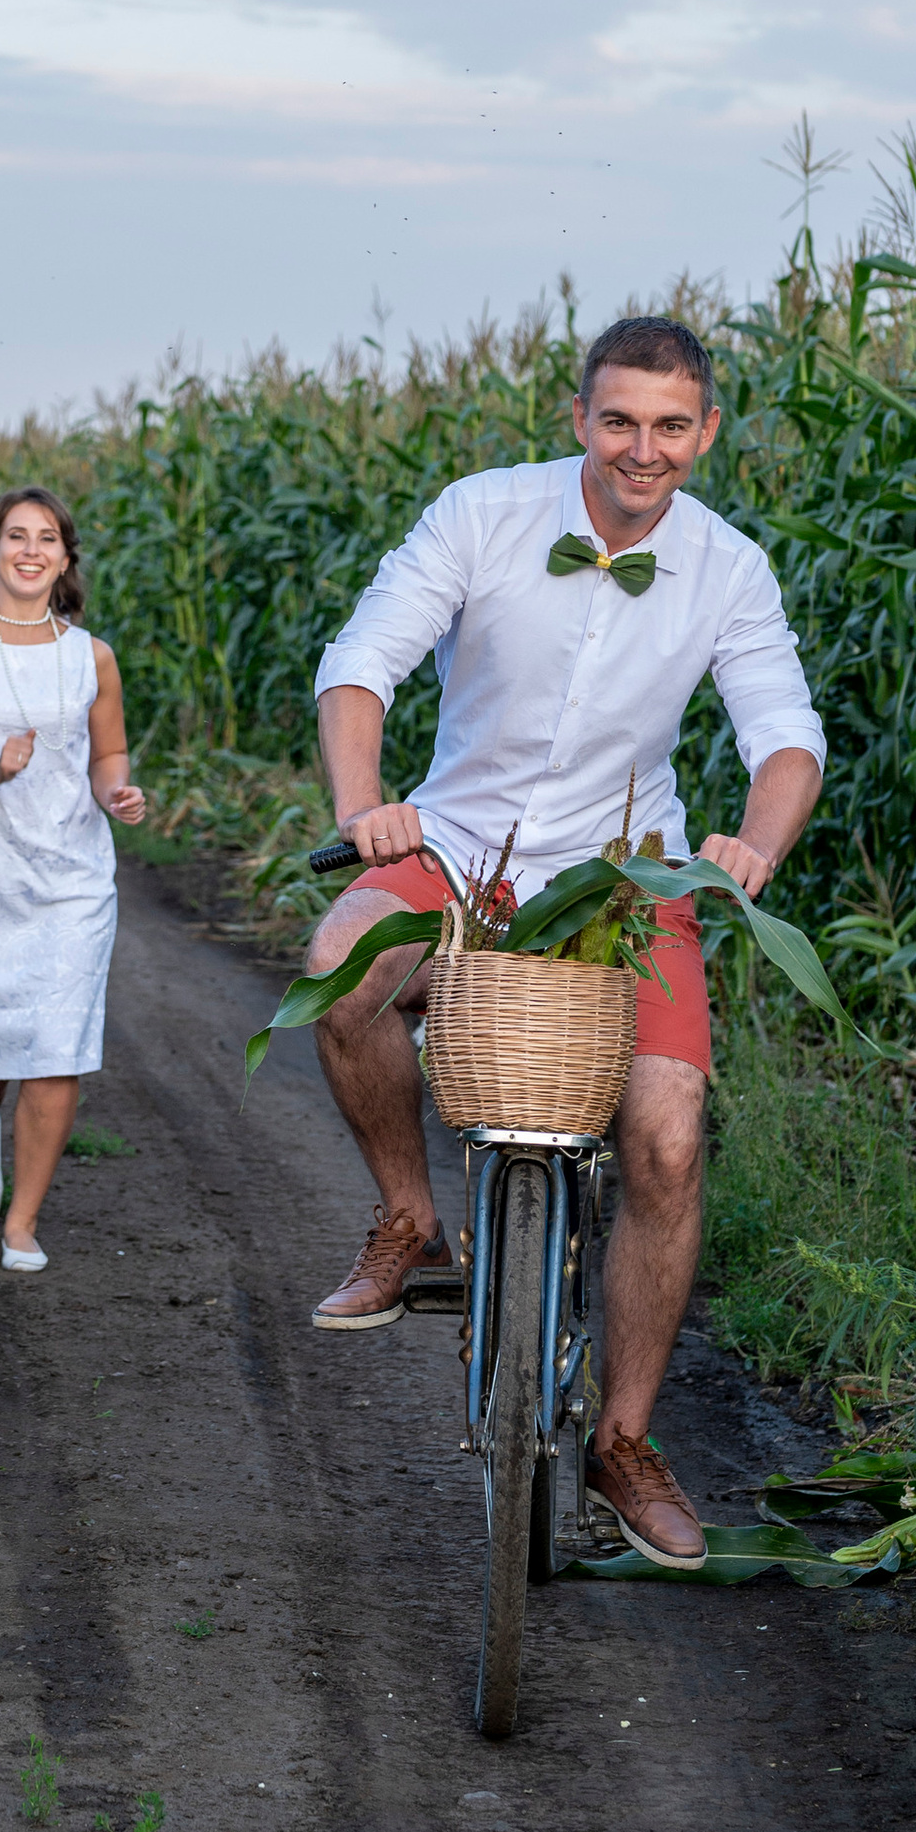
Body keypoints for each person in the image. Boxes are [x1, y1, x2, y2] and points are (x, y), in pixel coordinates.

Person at [299, 314, 824, 1566]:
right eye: (619, 420)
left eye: (671, 425)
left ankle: (625, 1440)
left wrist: (755, 843)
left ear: (706, 431)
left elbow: (785, 734)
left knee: (665, 1132)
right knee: (338, 969)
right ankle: (411, 1215)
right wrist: (362, 806)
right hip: (463, 843)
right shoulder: (481, 513)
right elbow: (362, 661)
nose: (643, 449)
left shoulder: (729, 569)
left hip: (628, 876)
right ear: (576, 418)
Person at [0, 486, 147, 1272]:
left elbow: (106, 753)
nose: (31, 549)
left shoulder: (92, 656)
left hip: (72, 880)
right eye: (16, 535)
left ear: (66, 559)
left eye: (48, 537)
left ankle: (22, 1222)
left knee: (56, 1050)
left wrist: (117, 790)